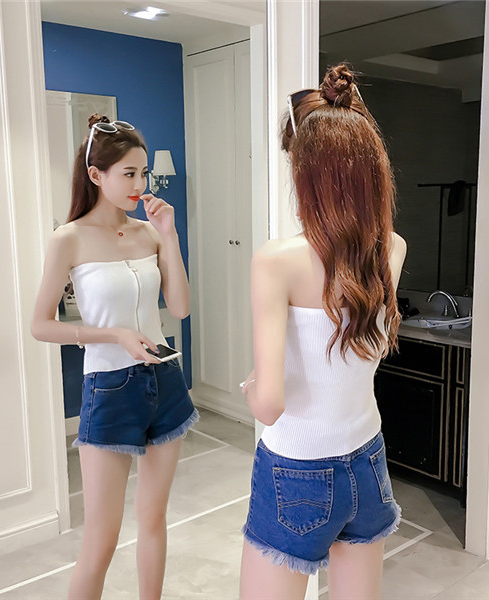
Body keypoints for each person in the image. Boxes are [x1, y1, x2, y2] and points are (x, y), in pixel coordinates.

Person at [239, 64, 407, 600]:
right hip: (368, 459)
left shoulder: (277, 261)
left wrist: (251, 387)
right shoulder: (393, 248)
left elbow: (269, 405)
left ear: (304, 171)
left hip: (297, 470)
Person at [31, 115, 198, 600]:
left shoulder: (150, 232)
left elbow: (180, 308)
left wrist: (170, 235)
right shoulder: (69, 238)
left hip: (165, 381)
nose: (139, 184)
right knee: (101, 541)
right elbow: (40, 325)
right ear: (96, 174)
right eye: (128, 173)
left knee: (154, 520)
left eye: (143, 173)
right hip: (108, 388)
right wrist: (114, 335)